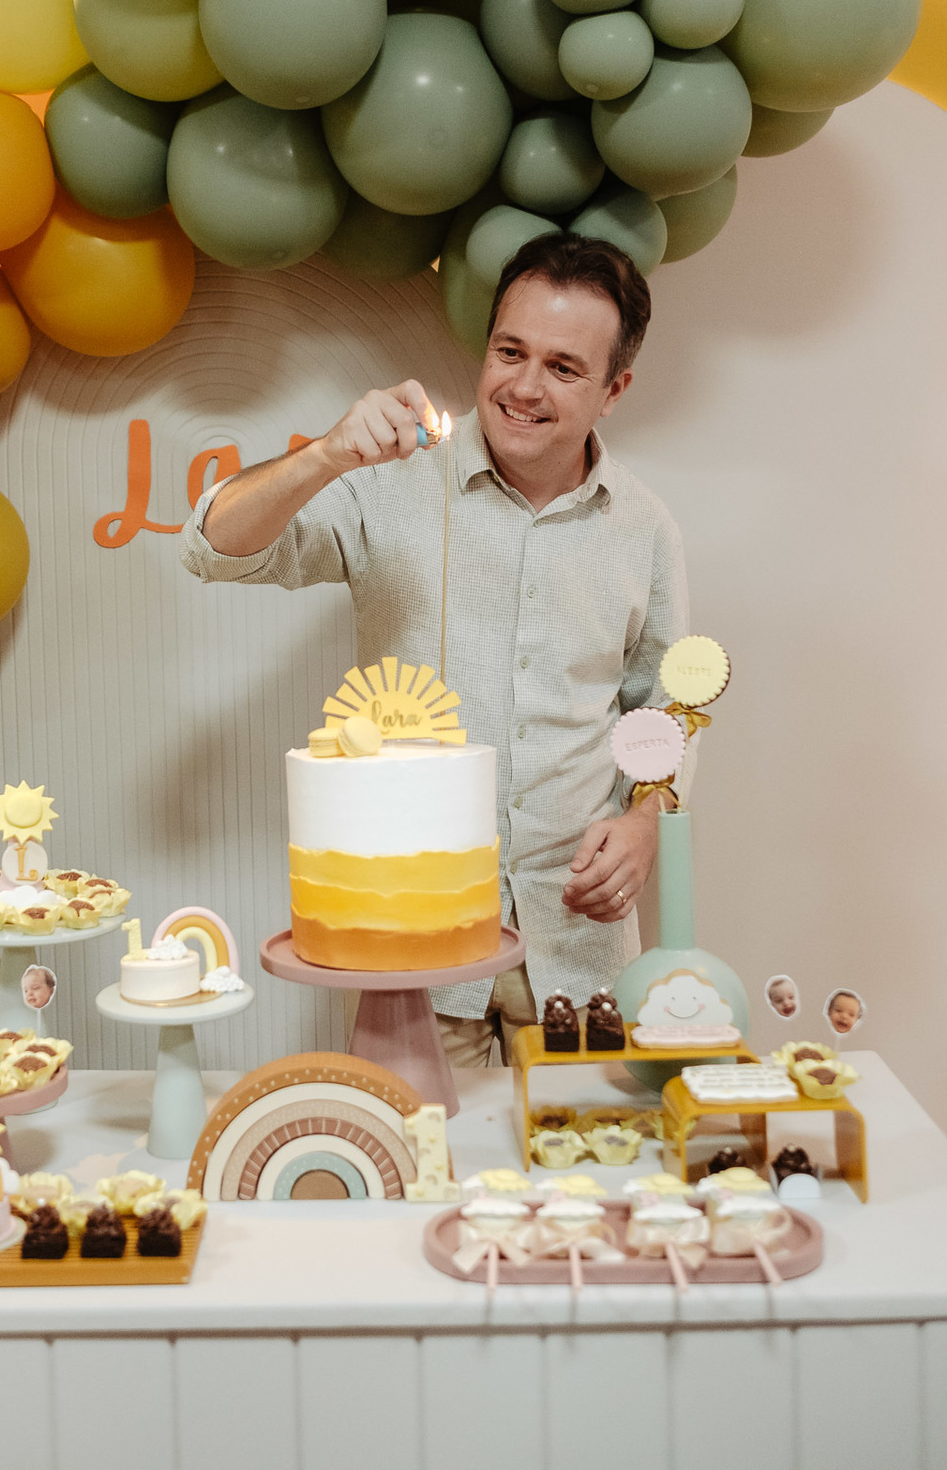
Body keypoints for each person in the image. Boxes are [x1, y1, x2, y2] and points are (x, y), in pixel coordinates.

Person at [181, 232, 689, 1067]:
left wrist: (646, 821)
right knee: (412, 1148)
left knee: (584, 1150)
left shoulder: (644, 530)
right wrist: (325, 454)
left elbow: (664, 710)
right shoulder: (387, 482)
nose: (524, 387)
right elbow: (213, 547)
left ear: (614, 389)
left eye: (564, 368)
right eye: (510, 352)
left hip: (578, 945)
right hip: (409, 945)